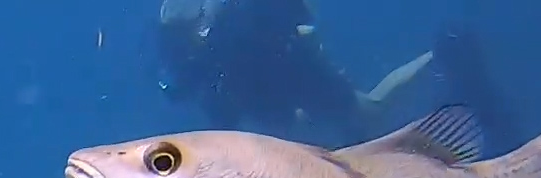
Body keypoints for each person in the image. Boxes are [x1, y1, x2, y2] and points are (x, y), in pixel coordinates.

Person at [155, 0, 431, 145]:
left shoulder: (230, 15)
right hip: (268, 94)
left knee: (371, 110)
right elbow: (183, 85)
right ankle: (437, 58)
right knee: (360, 118)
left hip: (294, 75)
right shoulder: (186, 32)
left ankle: (436, 57)